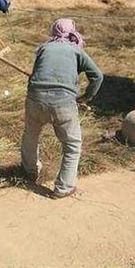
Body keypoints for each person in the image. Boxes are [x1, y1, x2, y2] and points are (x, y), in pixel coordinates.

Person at [21, 19, 103, 199]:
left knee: (30, 135)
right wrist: (85, 97)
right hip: (63, 103)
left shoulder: (44, 48)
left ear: (53, 32)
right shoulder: (76, 50)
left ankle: (29, 171)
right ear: (73, 32)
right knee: (72, 145)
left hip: (35, 98)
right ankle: (64, 187)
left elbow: (35, 74)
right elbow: (97, 76)